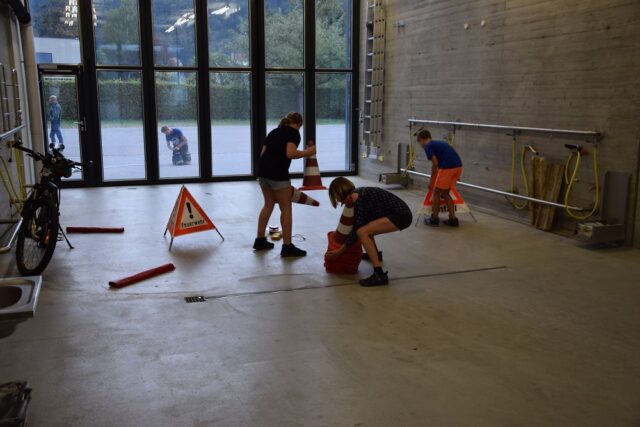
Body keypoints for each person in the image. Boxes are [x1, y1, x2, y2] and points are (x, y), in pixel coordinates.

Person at [325, 177, 413, 286]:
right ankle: (376, 254)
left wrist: (339, 252)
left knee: (362, 232)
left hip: (401, 215)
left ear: (339, 193)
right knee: (366, 228)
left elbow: (356, 230)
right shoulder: (358, 193)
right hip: (402, 213)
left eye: (336, 198)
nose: (338, 201)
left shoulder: (355, 198)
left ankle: (379, 275)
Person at [254, 112, 316, 257]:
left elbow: (263, 153)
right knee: (286, 208)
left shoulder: (274, 131)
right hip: (278, 174)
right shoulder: (294, 133)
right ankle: (287, 247)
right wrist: (309, 152)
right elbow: (290, 153)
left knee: (268, 205)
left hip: (262, 172)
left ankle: (260, 240)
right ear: (299, 124)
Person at [417, 129, 463, 227]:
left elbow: (435, 163)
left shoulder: (428, 146)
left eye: (419, 142)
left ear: (421, 140)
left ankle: (434, 219)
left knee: (437, 192)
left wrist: (432, 181)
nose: (420, 145)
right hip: (458, 167)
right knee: (445, 193)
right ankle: (453, 220)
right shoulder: (438, 143)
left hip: (448, 168)